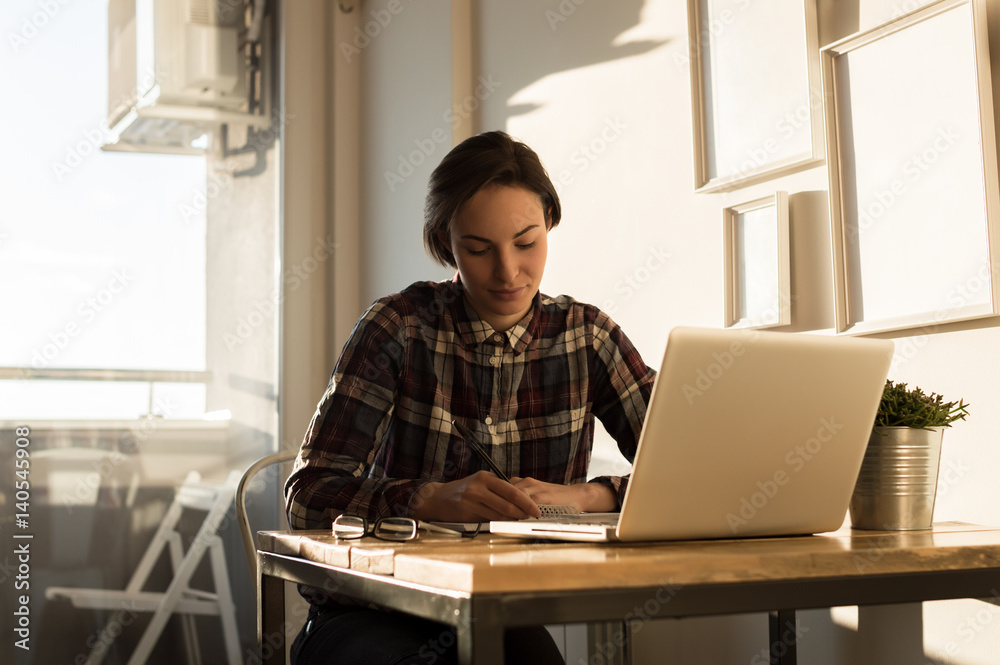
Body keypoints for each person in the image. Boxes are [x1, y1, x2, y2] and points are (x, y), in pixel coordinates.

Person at [284, 130, 656, 665]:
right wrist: (429, 499)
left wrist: (589, 497)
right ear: (446, 243)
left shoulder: (587, 337)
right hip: (369, 612)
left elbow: (689, 474)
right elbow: (307, 498)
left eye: (526, 243)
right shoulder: (399, 328)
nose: (508, 272)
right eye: (479, 250)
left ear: (549, 220)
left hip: (494, 613)